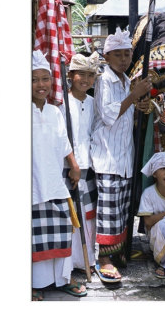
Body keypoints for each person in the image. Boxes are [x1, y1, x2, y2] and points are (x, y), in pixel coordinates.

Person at [90, 27, 152, 284]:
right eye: (119, 55)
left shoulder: (127, 81)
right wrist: (134, 96)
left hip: (124, 157)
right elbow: (108, 115)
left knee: (121, 209)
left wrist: (140, 106)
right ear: (107, 57)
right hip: (107, 156)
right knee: (108, 211)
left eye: (127, 54)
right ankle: (104, 260)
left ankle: (117, 253)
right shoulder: (104, 79)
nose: (124, 59)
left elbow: (128, 118)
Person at [32, 50, 87, 300]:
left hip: (55, 183)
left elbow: (64, 144)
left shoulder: (54, 112)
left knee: (63, 229)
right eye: (34, 79)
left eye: (45, 79)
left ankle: (62, 279)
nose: (41, 85)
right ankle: (33, 284)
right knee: (33, 237)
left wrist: (74, 165)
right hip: (32, 185)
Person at [59, 53, 100, 276]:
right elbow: (62, 138)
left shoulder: (94, 103)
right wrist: (71, 164)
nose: (85, 79)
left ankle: (88, 259)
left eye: (90, 75)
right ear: (71, 75)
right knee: (72, 215)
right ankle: (71, 261)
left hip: (89, 166)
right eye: (81, 74)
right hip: (68, 167)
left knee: (88, 215)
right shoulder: (62, 104)